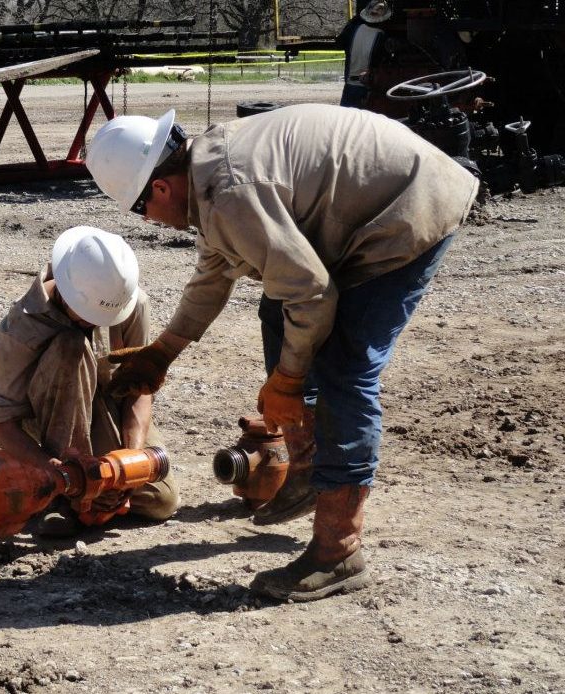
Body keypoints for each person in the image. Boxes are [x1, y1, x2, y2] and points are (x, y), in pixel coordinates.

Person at [85, 104, 478, 600]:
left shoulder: (229, 193)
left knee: (344, 371)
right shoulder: (207, 173)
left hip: (407, 206)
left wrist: (290, 382)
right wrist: (163, 351)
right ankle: (310, 465)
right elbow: (215, 273)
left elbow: (312, 295)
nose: (154, 222)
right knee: (277, 309)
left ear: (160, 188)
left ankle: (340, 550)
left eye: (142, 210)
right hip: (377, 195)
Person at [0, 226, 180, 537]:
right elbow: (6, 426)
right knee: (70, 345)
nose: (96, 323)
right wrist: (58, 471)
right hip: (51, 428)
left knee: (161, 500)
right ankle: (63, 496)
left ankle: (89, 493)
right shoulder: (19, 332)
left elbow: (139, 391)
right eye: (87, 315)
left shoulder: (128, 304)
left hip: (106, 406)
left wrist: (128, 464)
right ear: (64, 289)